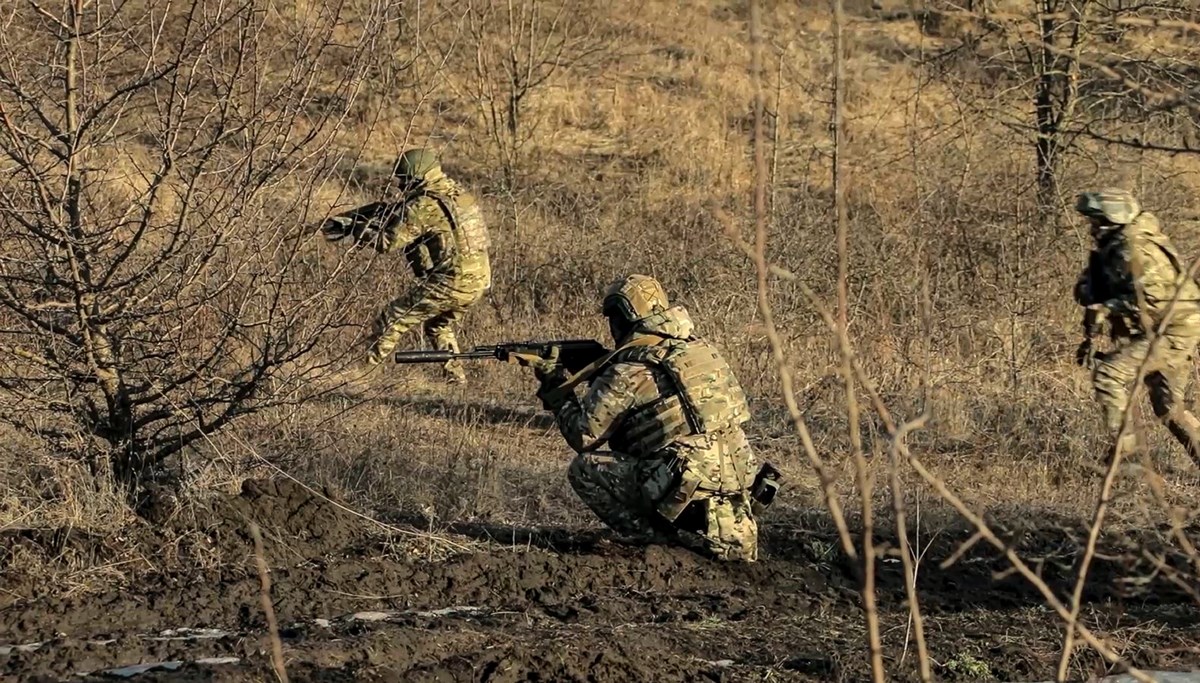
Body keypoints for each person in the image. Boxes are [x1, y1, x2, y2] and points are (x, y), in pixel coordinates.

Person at [522, 274, 779, 561]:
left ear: (622, 319)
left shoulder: (629, 371)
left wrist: (554, 384)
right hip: (738, 492)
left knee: (584, 469)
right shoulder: (700, 351)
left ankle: (658, 542)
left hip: (687, 497)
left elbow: (583, 436)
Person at [320, 148, 491, 383]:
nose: (400, 187)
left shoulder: (423, 205)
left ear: (416, 178)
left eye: (403, 180)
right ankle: (455, 376)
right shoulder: (461, 196)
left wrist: (357, 228)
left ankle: (360, 375)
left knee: (392, 317)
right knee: (438, 325)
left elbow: (386, 243)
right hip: (479, 282)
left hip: (452, 281)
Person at [1073, 187, 1200, 465]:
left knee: (1109, 373)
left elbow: (1154, 299)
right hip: (1169, 328)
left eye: (1095, 221)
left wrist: (1108, 307)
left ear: (1111, 220)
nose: (1091, 228)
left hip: (1173, 330)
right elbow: (1091, 288)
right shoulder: (1114, 247)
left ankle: (1126, 450)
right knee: (1170, 409)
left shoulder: (1135, 248)